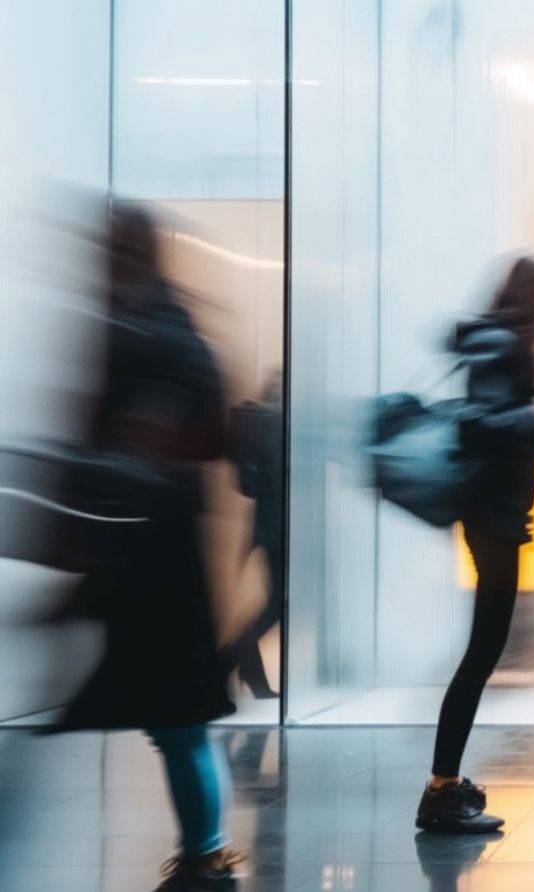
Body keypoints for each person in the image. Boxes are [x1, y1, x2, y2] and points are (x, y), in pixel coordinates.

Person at [53, 202, 242, 890]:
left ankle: (206, 855)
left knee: (177, 718)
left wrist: (143, 444)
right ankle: (205, 852)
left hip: (154, 551)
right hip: (157, 545)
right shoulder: (159, 320)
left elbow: (201, 430)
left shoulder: (145, 326)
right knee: (176, 717)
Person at [416, 257, 534, 834]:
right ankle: (441, 788)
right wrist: (533, 415)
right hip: (492, 519)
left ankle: (444, 784)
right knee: (481, 654)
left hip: (494, 517)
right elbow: (480, 426)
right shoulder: (503, 345)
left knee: (483, 651)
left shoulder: (495, 341)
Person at [222, 370, 284, 701]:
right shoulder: (276, 426)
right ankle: (225, 662)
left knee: (278, 602)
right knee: (279, 603)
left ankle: (250, 670)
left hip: (266, 523)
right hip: (277, 524)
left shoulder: (260, 426)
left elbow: (251, 486)